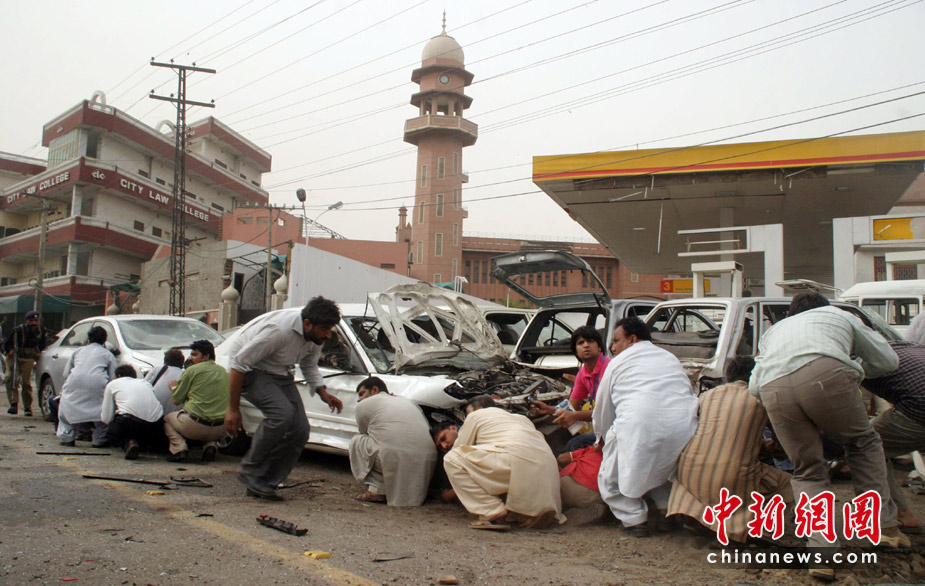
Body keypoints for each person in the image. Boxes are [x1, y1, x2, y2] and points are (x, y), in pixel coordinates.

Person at [749, 292, 908, 569]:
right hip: (826, 375)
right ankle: (882, 528)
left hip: (772, 388)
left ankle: (822, 556)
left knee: (807, 470)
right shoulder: (840, 315)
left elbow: (754, 386)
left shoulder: (774, 331)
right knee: (863, 444)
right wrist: (852, 369)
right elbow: (887, 361)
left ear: (791, 314)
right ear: (825, 308)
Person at [224, 297, 344, 501]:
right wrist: (233, 409)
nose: (327, 334)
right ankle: (250, 471)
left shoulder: (315, 337)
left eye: (330, 328)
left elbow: (309, 365)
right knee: (282, 415)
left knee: (300, 429)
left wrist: (323, 393)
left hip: (281, 373)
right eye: (324, 328)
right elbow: (239, 364)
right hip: (253, 370)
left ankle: (264, 483)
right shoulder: (278, 331)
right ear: (307, 323)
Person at [592, 316, 698, 537]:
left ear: (632, 339)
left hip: (640, 425)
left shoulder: (618, 363)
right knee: (663, 469)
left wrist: (600, 437)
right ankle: (667, 511)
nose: (612, 348)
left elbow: (602, 408)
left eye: (616, 341)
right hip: (683, 428)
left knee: (610, 477)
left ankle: (635, 520)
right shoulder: (669, 358)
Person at [667, 356, 793, 543]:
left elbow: (719, 436)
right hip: (729, 476)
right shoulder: (760, 399)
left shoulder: (707, 396)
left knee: (718, 472)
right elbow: (782, 440)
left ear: (728, 375)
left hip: (689, 472)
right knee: (789, 484)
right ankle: (759, 530)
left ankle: (698, 519)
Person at [434, 395, 565, 530]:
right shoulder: (522, 419)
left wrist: (449, 492)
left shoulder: (476, 415)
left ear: (477, 409)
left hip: (516, 460)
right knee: (515, 459)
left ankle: (491, 510)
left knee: (452, 458)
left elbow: (460, 450)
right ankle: (531, 512)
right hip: (548, 465)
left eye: (468, 413)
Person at [860, 339, 925, 534]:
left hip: (919, 410)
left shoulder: (858, 361)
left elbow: (858, 411)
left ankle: (901, 514)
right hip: (917, 404)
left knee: (864, 447)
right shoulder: (910, 346)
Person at [348, 376, 437, 506]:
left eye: (362, 394)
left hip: (395, 456)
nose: (359, 399)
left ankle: (377, 490)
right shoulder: (408, 402)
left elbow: (365, 432)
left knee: (358, 441)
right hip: (428, 458)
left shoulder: (364, 405)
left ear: (374, 390)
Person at [532, 326, 610, 452]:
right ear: (575, 351)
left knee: (574, 446)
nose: (586, 345)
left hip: (616, 425)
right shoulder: (583, 373)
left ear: (599, 347)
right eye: (581, 343)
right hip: (604, 424)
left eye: (590, 341)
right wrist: (549, 410)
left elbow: (607, 413)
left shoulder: (609, 369)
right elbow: (571, 407)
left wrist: (576, 416)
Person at [164, 340, 229, 463]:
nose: (190, 358)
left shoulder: (192, 370)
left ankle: (179, 449)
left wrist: (173, 387)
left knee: (167, 419)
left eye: (194, 354)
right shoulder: (225, 372)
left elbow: (176, 400)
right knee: (211, 413)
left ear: (206, 356)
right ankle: (211, 446)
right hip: (221, 429)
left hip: (194, 427)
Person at [56, 326, 115, 447]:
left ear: (89, 339)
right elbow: (113, 377)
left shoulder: (78, 351)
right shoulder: (108, 354)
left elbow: (66, 373)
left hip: (75, 381)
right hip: (98, 383)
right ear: (104, 340)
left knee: (66, 408)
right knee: (103, 411)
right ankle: (99, 439)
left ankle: (67, 437)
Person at [101, 365, 165, 460]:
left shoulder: (113, 384)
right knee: (142, 434)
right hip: (155, 425)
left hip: (129, 422)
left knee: (112, 434)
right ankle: (141, 445)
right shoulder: (145, 383)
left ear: (118, 376)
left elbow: (106, 418)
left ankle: (128, 444)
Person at [4, 310, 49, 416]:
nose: (33, 323)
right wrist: (10, 351)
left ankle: (27, 407)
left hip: (28, 358)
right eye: (31, 320)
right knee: (10, 379)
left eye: (35, 320)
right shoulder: (18, 330)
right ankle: (13, 403)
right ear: (26, 321)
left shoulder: (41, 331)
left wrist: (39, 353)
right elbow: (8, 343)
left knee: (26, 382)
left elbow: (42, 344)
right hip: (15, 357)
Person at [145, 348, 184, 416]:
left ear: (165, 362)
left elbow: (144, 386)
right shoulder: (185, 375)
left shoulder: (158, 369)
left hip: (152, 413)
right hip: (173, 416)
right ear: (182, 363)